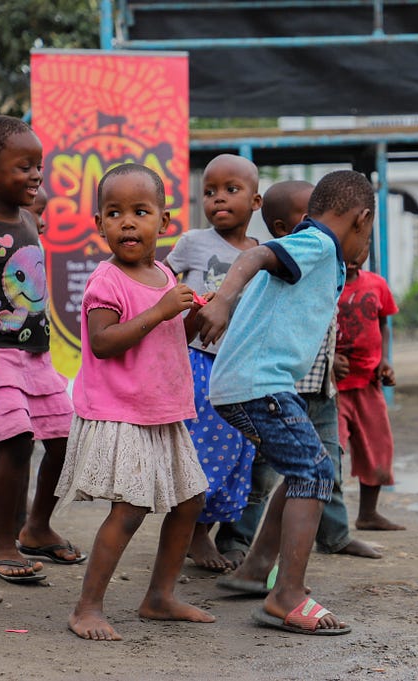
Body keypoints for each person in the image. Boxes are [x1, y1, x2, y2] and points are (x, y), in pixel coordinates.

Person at [198, 169, 376, 635]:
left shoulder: (317, 251)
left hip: (249, 384)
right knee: (314, 471)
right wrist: (221, 301)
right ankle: (288, 595)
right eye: (370, 231)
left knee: (303, 467)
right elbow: (256, 253)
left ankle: (258, 569)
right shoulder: (316, 243)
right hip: (258, 384)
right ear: (362, 218)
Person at [54, 164, 214, 641]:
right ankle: (86, 607)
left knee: (190, 500)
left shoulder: (164, 273)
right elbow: (103, 343)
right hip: (122, 410)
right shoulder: (107, 281)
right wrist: (162, 309)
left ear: (164, 223)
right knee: (130, 509)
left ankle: (160, 597)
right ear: (99, 224)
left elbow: (168, 337)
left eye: (140, 212)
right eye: (115, 213)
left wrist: (191, 319)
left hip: (162, 410)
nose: (127, 222)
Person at [0, 115, 82, 584]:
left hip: (37, 356)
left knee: (66, 442)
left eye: (38, 165)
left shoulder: (29, 220)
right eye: (23, 166)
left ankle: (38, 527)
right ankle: (2, 542)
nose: (36, 175)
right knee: (15, 442)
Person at [165, 153, 261, 571]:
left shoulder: (262, 254)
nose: (218, 199)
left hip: (240, 369)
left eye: (231, 190)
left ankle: (203, 527)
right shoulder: (193, 243)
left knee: (237, 453)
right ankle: (195, 533)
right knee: (202, 449)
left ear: (255, 202)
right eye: (209, 192)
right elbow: (161, 279)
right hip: (198, 362)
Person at [334, 253, 404, 531]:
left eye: (361, 247)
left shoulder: (376, 284)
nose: (354, 255)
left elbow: (384, 324)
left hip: (368, 383)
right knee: (330, 455)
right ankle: (328, 523)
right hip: (332, 389)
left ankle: (368, 514)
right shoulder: (325, 287)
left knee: (378, 448)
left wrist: (384, 361)